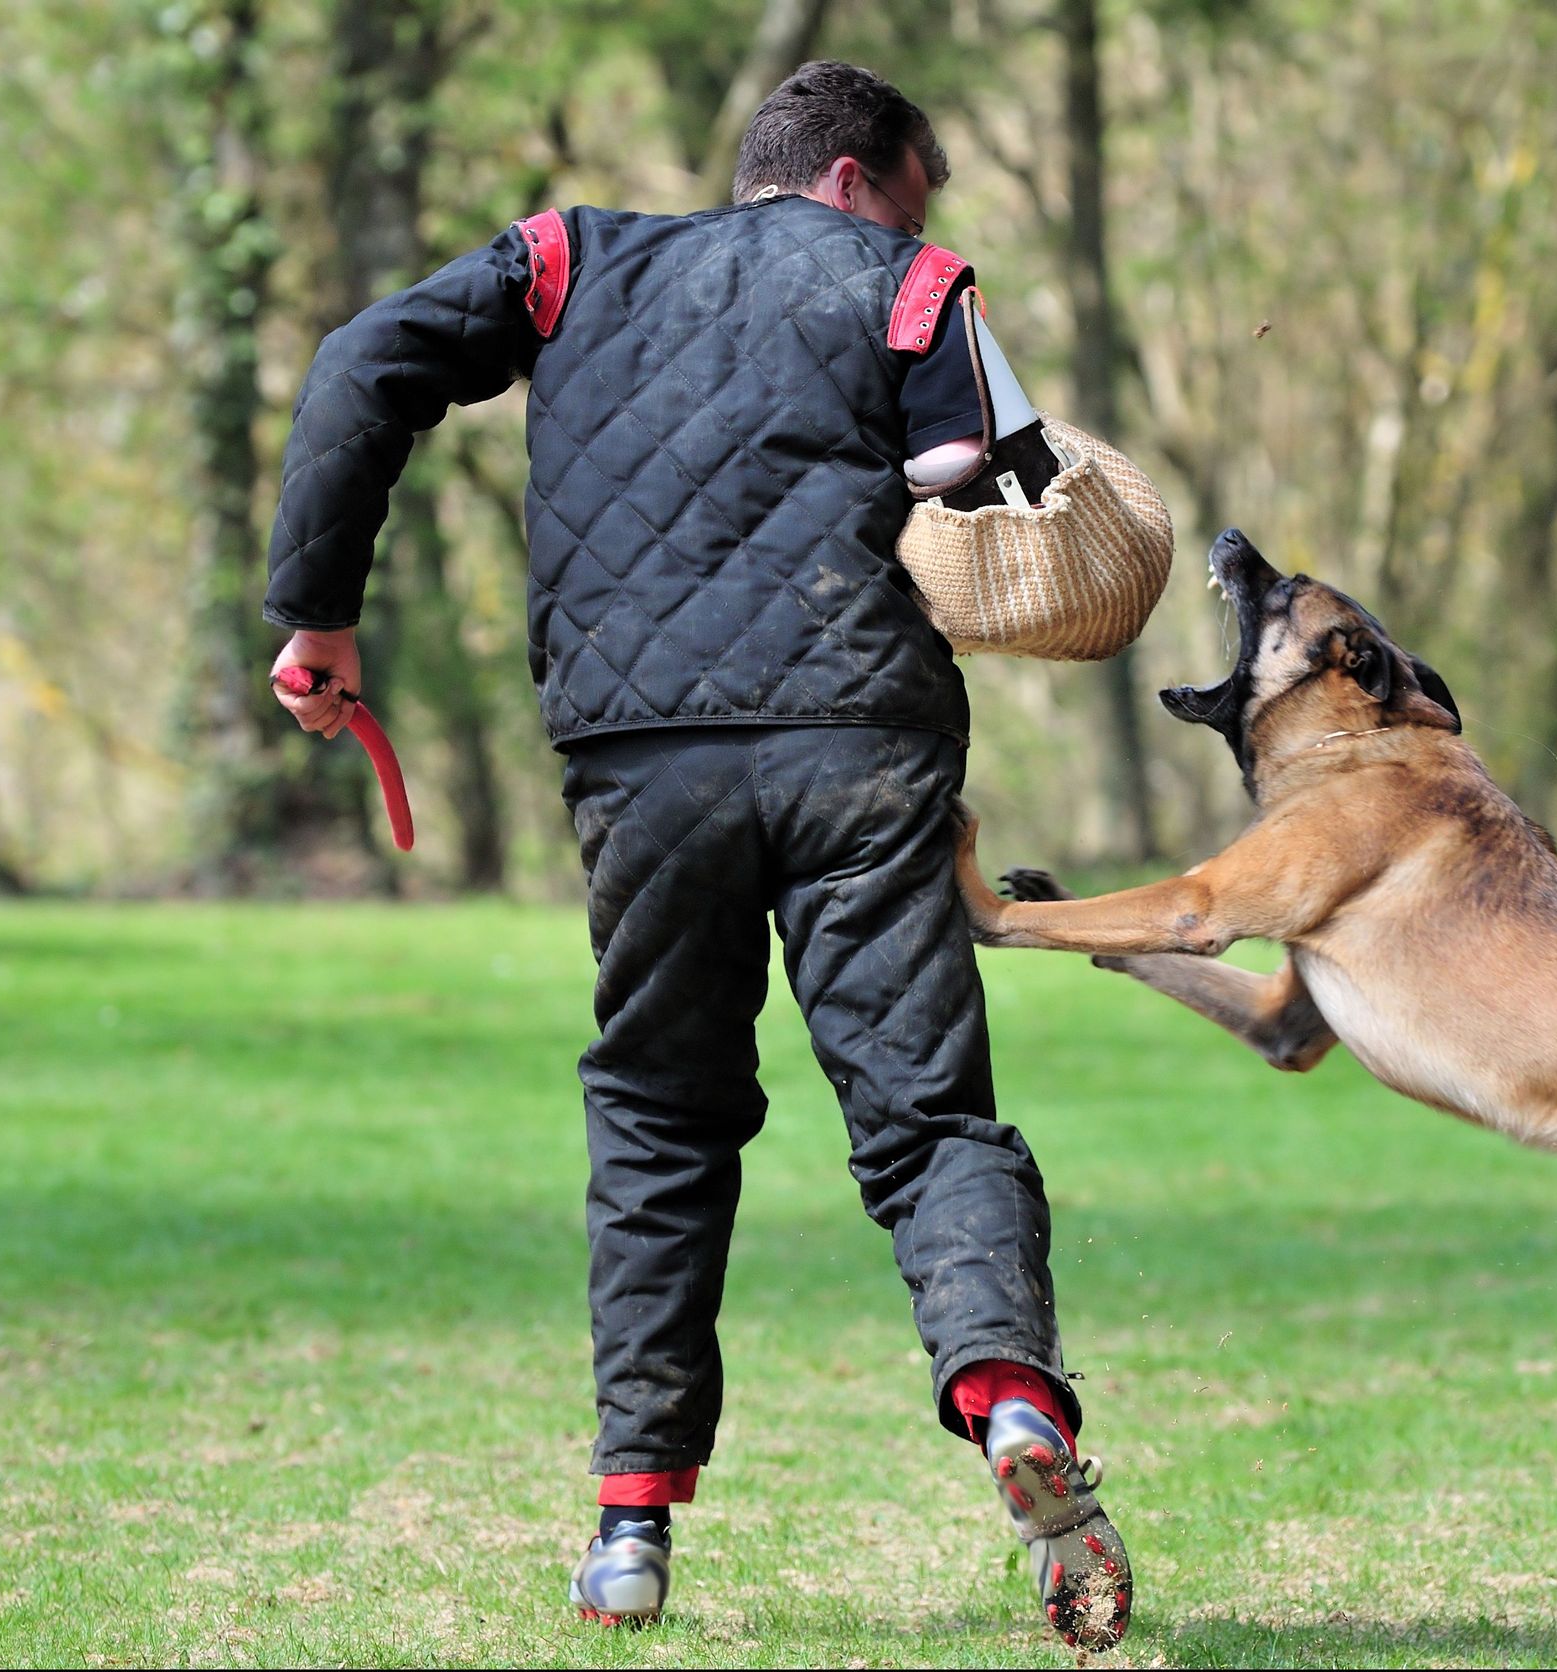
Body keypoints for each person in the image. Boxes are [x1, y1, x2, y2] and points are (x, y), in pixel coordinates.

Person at [259, 60, 1130, 1651]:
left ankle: (629, 1526)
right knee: (928, 1120)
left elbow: (360, 361)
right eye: (915, 197)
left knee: (662, 1111)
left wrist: (319, 613)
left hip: (637, 758)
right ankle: (1009, 1404)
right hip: (859, 742)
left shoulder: (568, 259)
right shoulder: (916, 284)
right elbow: (995, 506)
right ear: (863, 179)